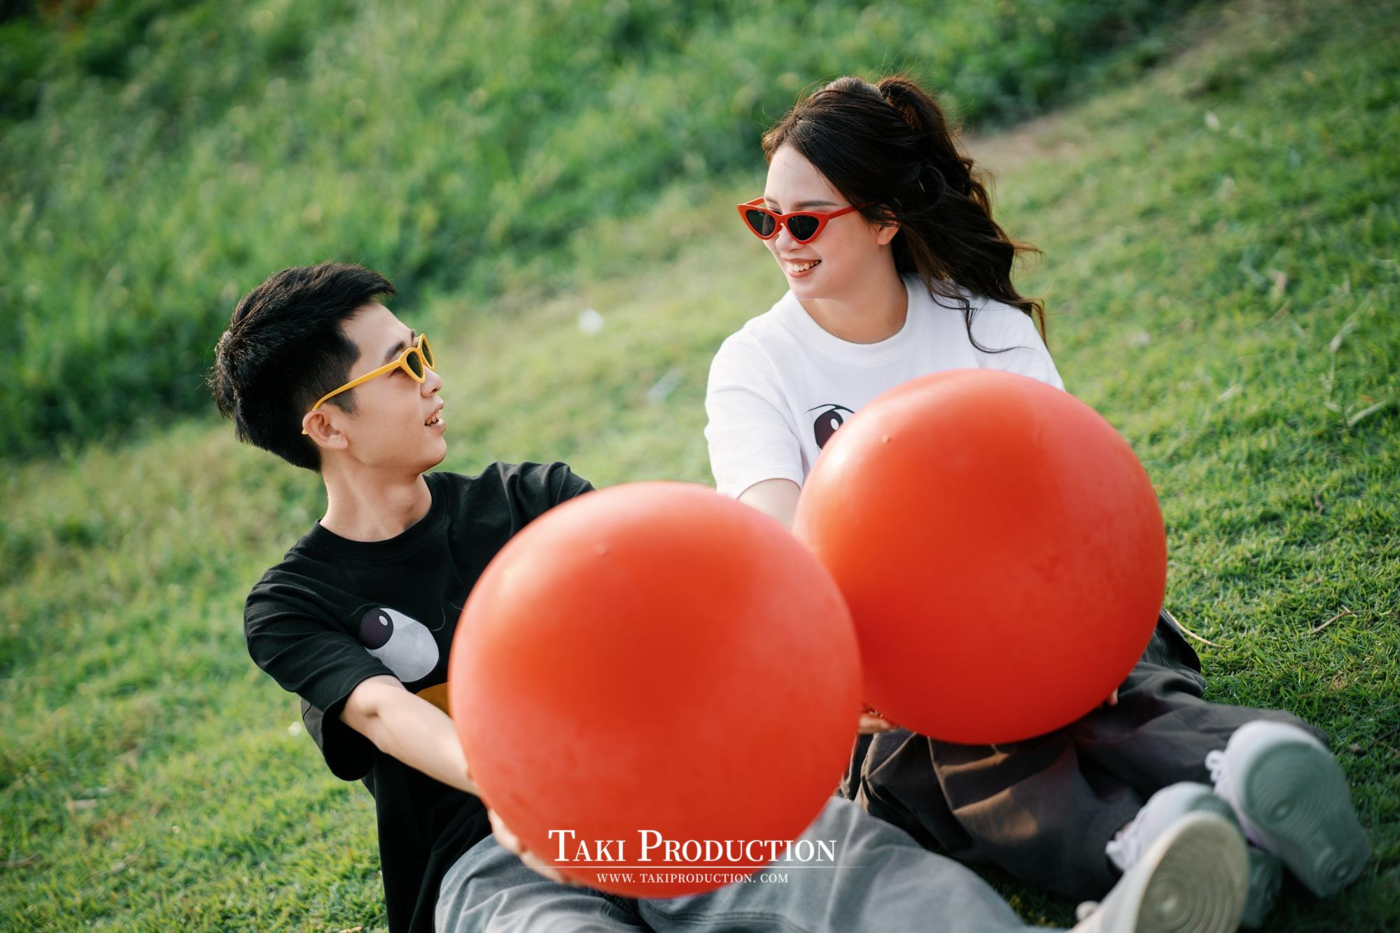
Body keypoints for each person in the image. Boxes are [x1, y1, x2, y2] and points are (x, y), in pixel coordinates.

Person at [213, 262, 1252, 933]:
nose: (430, 376)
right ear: (327, 425)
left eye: (424, 349)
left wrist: (822, 665)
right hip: (493, 859)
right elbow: (388, 715)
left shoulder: (534, 502)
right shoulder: (293, 602)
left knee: (848, 867)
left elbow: (694, 601)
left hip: (664, 802)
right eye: (401, 365)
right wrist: (526, 793)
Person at [704, 74, 1371, 928]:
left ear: (884, 219)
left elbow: (1068, 493)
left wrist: (1055, 629)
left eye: (805, 221)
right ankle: (1232, 763)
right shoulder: (755, 364)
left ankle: (1146, 836)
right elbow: (781, 543)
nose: (781, 242)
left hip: (1042, 606)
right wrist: (862, 667)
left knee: (1044, 716)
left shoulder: (982, 327)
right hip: (892, 664)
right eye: (764, 218)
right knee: (980, 732)